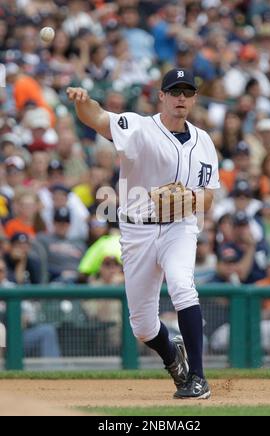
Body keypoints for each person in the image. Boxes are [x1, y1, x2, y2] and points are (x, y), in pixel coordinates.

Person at [67, 68, 220, 399]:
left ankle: (198, 377)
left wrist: (189, 199)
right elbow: (97, 118)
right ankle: (172, 358)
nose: (181, 98)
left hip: (179, 227)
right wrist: (82, 103)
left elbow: (209, 196)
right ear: (161, 96)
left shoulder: (204, 141)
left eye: (187, 92)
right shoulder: (138, 127)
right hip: (138, 231)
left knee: (182, 285)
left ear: (193, 99)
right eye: (174, 91)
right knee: (143, 326)